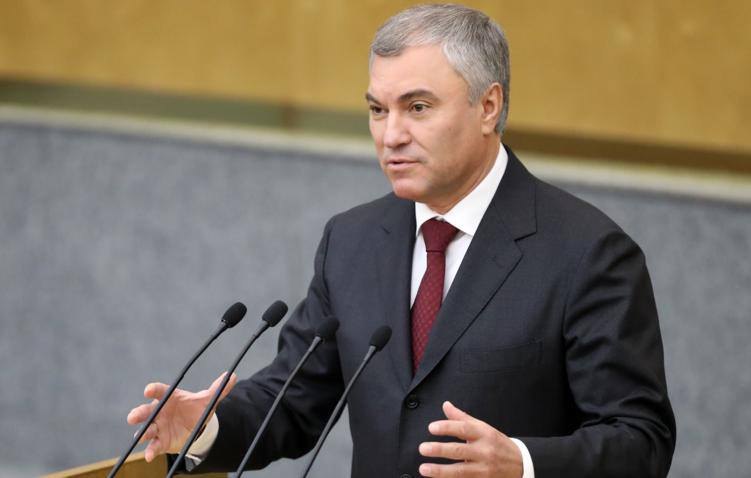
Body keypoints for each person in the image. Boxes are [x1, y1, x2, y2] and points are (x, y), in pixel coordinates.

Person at [127, 4, 676, 477]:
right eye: (377, 110)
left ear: (487, 107)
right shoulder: (352, 241)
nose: (391, 135)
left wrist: (523, 463)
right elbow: (292, 398)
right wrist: (205, 427)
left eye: (417, 108)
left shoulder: (587, 253)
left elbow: (640, 439)